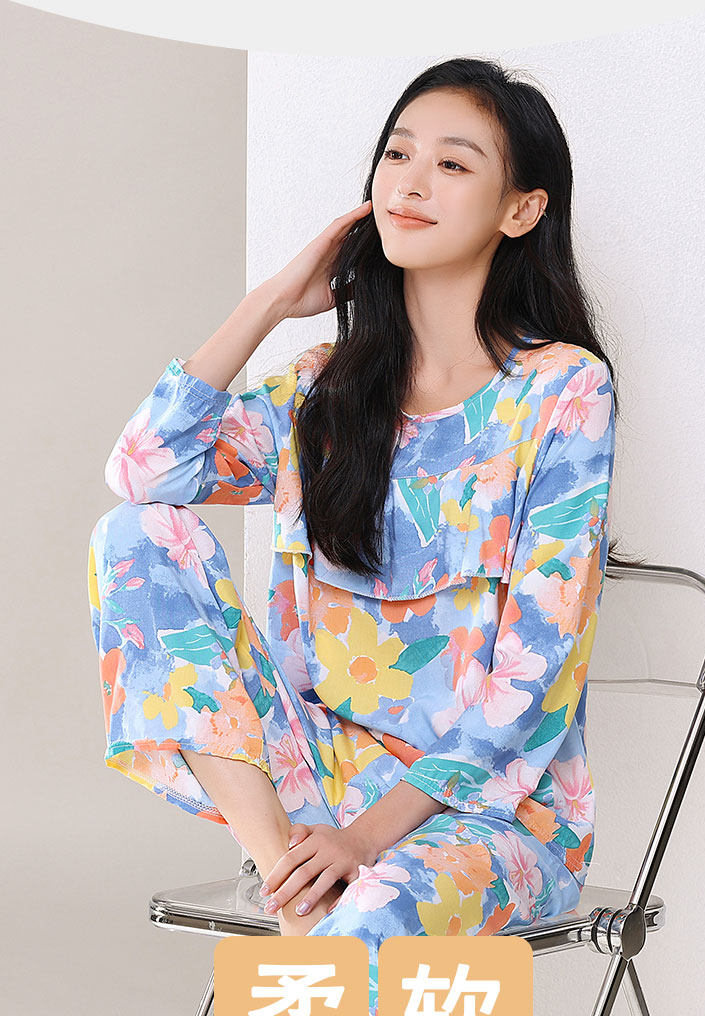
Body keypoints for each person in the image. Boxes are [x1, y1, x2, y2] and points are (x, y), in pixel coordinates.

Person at [87, 55, 627, 1015]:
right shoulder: (326, 387)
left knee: (370, 919)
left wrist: (366, 841)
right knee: (133, 534)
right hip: (318, 788)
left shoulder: (562, 392)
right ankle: (289, 888)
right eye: (397, 154)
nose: (411, 182)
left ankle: (314, 914)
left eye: (453, 164)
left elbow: (534, 676)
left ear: (521, 209)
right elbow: (143, 473)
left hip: (491, 820)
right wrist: (267, 302)